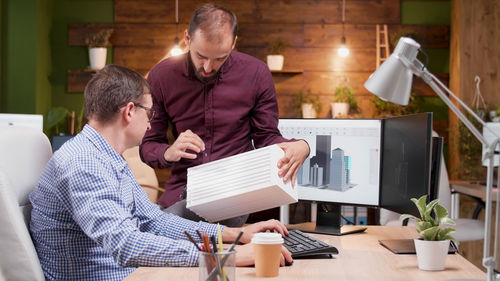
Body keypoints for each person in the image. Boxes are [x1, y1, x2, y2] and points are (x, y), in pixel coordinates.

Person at [29, 65, 292, 281]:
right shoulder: (83, 163)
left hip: (130, 273)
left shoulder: (106, 156)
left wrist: (235, 236)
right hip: (114, 276)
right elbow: (126, 245)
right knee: (234, 274)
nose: (152, 121)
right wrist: (226, 257)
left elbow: (154, 221)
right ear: (130, 111)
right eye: (150, 112)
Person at [140, 4, 310, 226]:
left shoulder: (256, 74)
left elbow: (266, 137)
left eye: (220, 58)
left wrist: (301, 146)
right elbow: (148, 145)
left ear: (234, 44)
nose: (208, 67)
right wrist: (169, 152)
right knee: (168, 223)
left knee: (180, 225)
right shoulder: (161, 76)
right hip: (183, 190)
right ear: (187, 39)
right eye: (201, 56)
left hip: (234, 194)